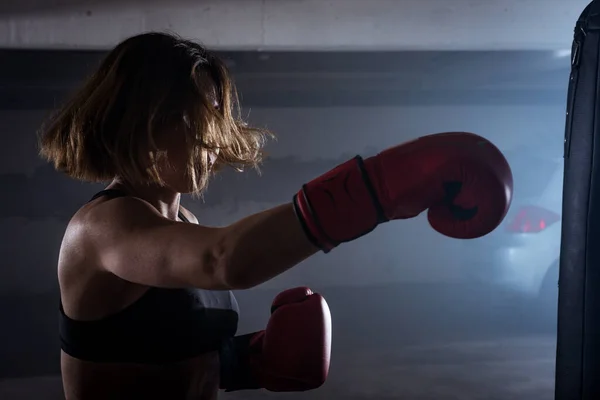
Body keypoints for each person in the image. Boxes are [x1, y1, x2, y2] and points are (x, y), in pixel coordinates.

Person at [39, 32, 513, 400]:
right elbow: (223, 261)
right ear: (142, 121)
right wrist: (379, 190)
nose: (210, 137)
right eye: (193, 119)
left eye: (215, 115)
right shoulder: (101, 228)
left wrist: (249, 361)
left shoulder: (185, 224)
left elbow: (152, 353)